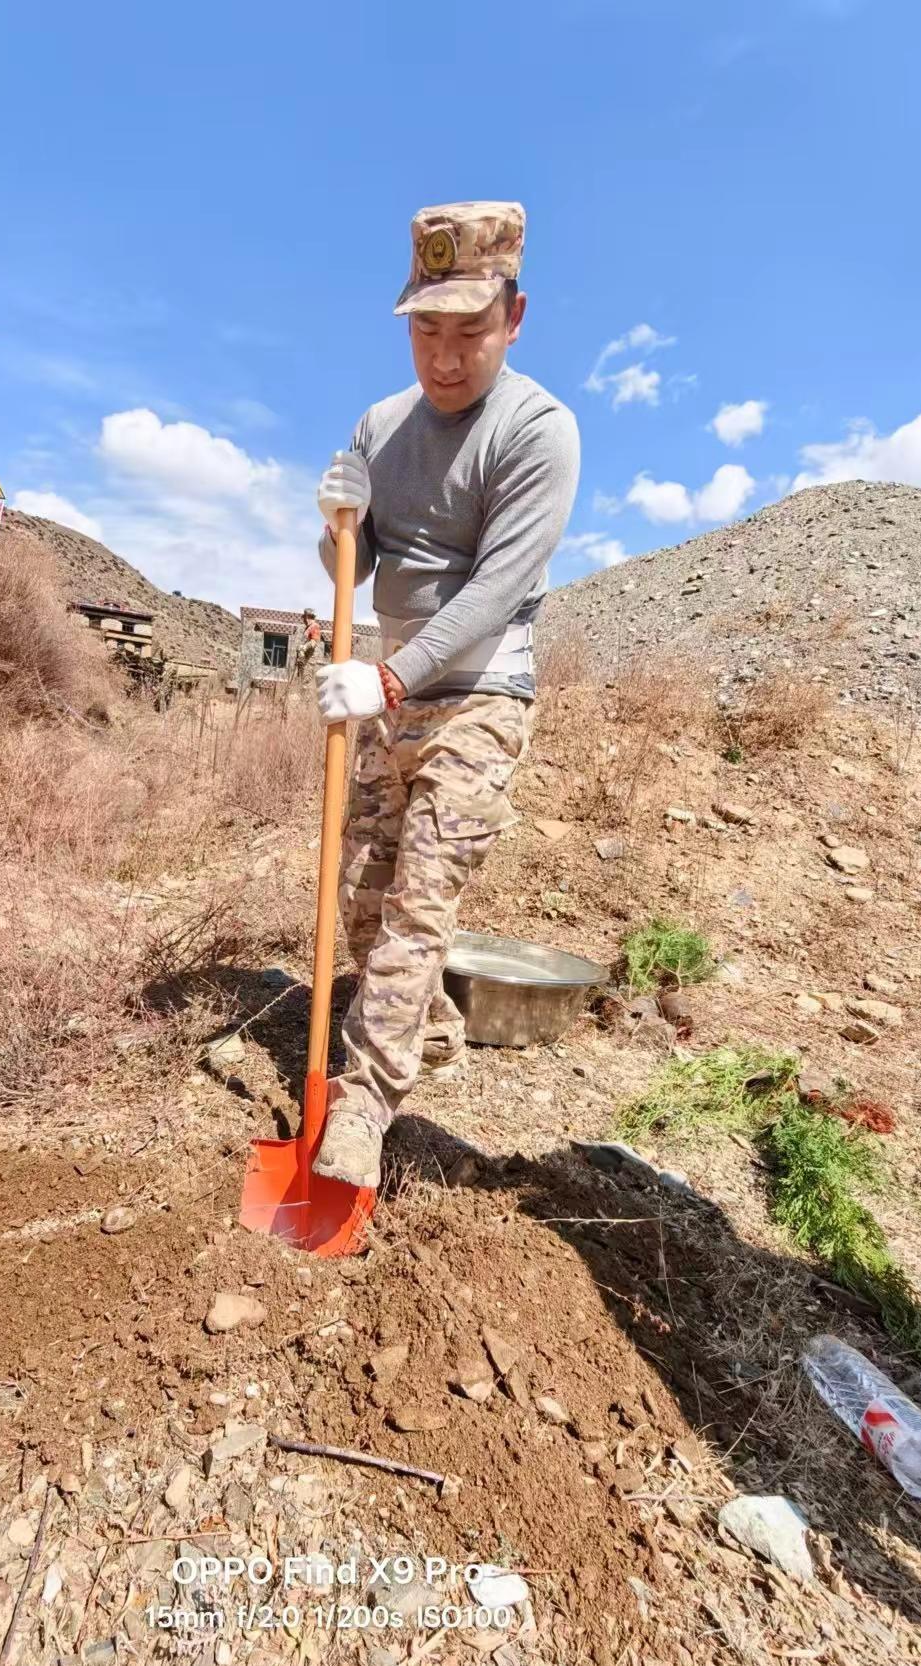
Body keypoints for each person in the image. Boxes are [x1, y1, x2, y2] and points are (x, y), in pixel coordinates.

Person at [310, 200, 580, 1190]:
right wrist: (336, 523)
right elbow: (354, 566)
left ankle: (362, 1107)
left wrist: (388, 674)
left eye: (470, 331)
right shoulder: (379, 428)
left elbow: (497, 587)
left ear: (515, 317)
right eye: (426, 329)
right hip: (386, 701)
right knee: (363, 903)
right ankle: (424, 1027)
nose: (445, 356)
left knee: (418, 905)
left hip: (478, 701)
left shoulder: (538, 431)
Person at [294, 607, 322, 678]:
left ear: (307, 617)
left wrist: (304, 647)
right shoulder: (308, 627)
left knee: (306, 681)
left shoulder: (314, 626)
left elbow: (314, 642)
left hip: (310, 661)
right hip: (305, 660)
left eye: (304, 617)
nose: (303, 619)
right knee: (301, 679)